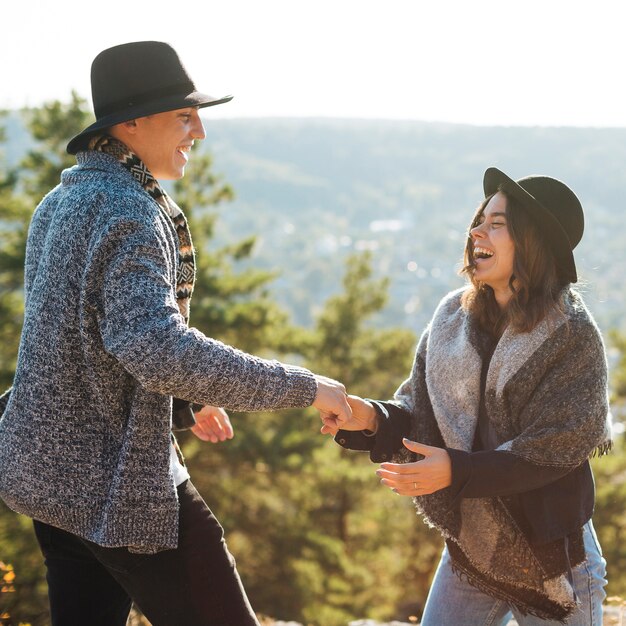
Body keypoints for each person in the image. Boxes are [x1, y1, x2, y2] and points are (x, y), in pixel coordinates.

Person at [0, 41, 351, 626]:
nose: (200, 132)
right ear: (130, 123)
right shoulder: (128, 211)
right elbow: (155, 346)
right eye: (185, 116)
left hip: (49, 477)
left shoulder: (61, 200)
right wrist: (306, 387)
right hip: (116, 488)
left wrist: (186, 399)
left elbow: (90, 338)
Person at [322, 167, 611, 625]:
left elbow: (550, 451)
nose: (476, 230)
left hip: (555, 564)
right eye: (480, 218)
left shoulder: (572, 336)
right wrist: (371, 418)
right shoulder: (452, 318)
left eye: (497, 224)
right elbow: (416, 410)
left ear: (532, 243)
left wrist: (457, 470)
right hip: (475, 548)